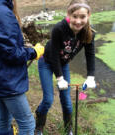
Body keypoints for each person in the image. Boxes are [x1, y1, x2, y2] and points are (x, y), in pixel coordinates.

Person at [0, 0, 44, 134]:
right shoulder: (1, 14)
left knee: (5, 119)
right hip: (7, 80)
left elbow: (0, 46)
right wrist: (34, 52)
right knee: (28, 124)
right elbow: (12, 54)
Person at [35, 0, 96, 135]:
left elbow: (90, 55)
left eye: (82, 17)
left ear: (88, 15)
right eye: (75, 16)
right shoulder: (59, 29)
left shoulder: (89, 33)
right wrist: (60, 78)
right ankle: (38, 126)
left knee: (67, 101)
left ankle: (68, 128)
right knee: (48, 99)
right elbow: (55, 55)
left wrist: (91, 76)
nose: (78, 21)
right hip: (46, 62)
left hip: (63, 64)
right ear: (68, 14)